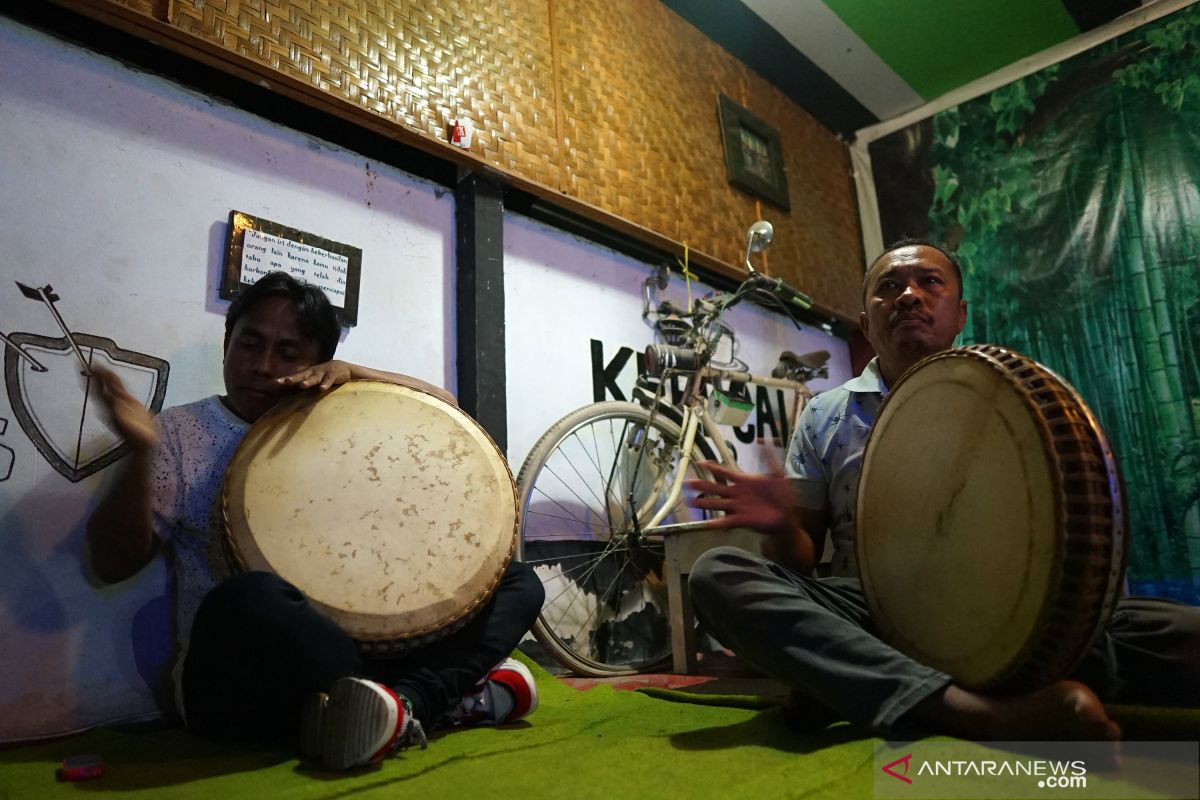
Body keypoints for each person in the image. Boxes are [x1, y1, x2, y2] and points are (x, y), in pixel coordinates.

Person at [686, 240, 1200, 741]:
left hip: (1016, 609)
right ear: (866, 323)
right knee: (719, 577)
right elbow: (796, 561)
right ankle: (977, 713)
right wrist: (780, 525)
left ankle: (849, 683)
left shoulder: (1016, 395)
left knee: (1182, 634)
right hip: (874, 615)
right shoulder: (825, 415)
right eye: (889, 287)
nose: (909, 295)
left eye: (929, 282)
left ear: (960, 314)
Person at [87, 271, 544, 770]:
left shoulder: (342, 417)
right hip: (238, 682)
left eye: (287, 353)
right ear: (227, 343)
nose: (262, 366)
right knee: (251, 597)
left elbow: (446, 409)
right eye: (250, 344)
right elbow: (112, 565)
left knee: (519, 583)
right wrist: (140, 453)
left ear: (317, 364)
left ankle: (397, 706)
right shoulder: (180, 431)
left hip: (353, 663)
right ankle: (431, 698)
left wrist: (355, 373)